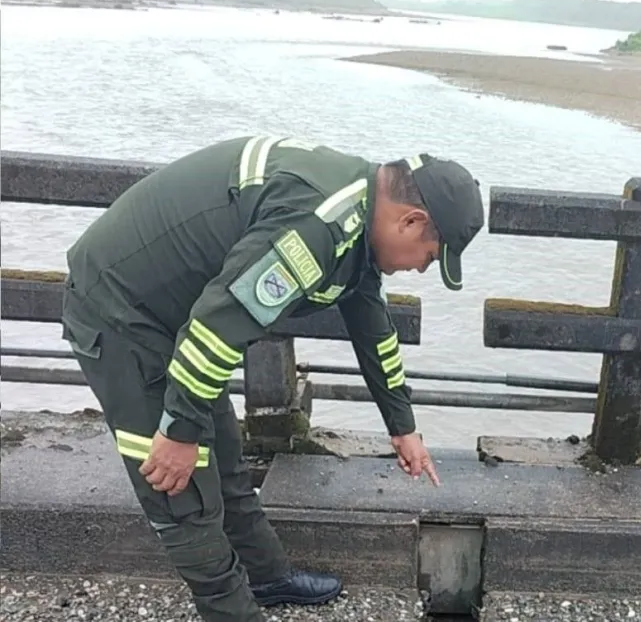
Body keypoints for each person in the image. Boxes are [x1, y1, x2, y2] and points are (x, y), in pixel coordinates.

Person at [59, 135, 485, 622]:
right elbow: (222, 322)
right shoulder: (316, 224)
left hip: (180, 319)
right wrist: (176, 430)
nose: (419, 269)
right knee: (180, 491)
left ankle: (266, 578)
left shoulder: (359, 219)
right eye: (429, 257)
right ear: (412, 220)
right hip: (120, 312)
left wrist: (402, 425)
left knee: (222, 457)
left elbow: (374, 330)